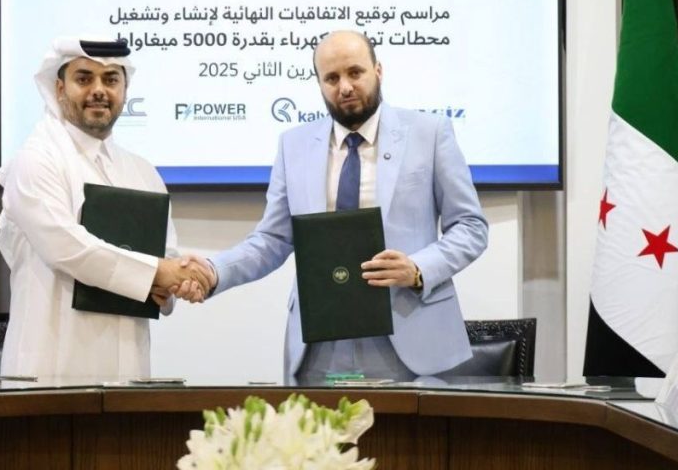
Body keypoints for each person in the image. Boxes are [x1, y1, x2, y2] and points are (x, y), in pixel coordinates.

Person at [186, 30, 488, 380]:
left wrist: (419, 268)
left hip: (410, 338)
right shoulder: (294, 145)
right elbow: (273, 239)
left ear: (378, 71)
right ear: (319, 84)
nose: (345, 87)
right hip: (318, 345)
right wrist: (215, 270)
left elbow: (470, 226)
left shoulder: (430, 133)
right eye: (331, 78)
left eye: (355, 73)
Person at [0, 35, 208, 378]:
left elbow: (165, 258)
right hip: (50, 371)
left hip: (130, 371)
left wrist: (175, 284)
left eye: (110, 80)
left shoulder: (143, 172)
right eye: (84, 79)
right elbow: (66, 248)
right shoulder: (36, 160)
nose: (99, 90)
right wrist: (160, 273)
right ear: (60, 89)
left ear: (124, 89)